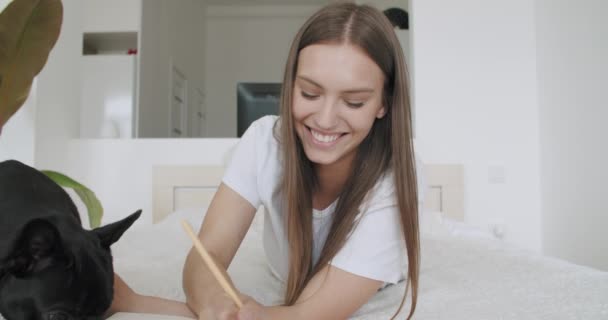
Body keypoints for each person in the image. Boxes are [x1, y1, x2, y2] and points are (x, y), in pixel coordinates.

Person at [107, 2, 420, 320]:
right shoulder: (265, 142)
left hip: (370, 283)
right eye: (309, 94)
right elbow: (206, 256)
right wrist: (215, 300)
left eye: (354, 102)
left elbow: (307, 313)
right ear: (291, 85)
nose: (325, 120)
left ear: (384, 103)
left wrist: (143, 304)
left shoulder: (397, 178)